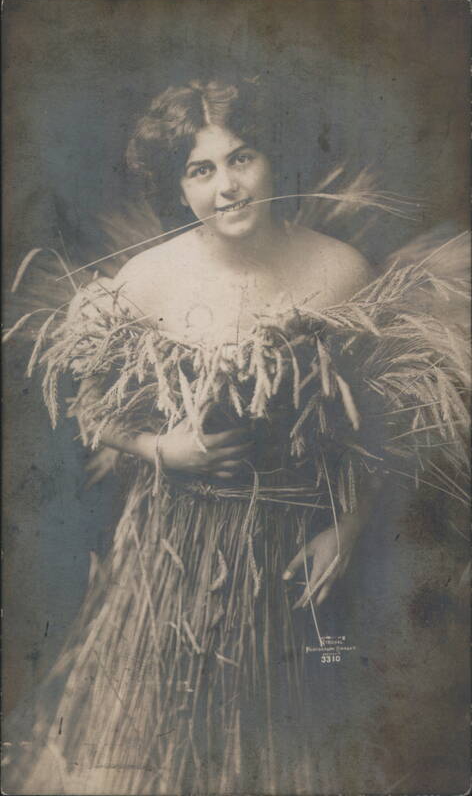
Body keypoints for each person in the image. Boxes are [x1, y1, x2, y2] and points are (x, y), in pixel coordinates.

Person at [5, 77, 469, 795]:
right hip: (171, 560)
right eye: (201, 169)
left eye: (241, 157)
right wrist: (160, 449)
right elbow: (89, 406)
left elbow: (383, 427)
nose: (227, 186)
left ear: (272, 159)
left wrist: (347, 530)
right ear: (179, 186)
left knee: (287, 750)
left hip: (294, 561)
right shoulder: (148, 280)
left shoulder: (340, 272)